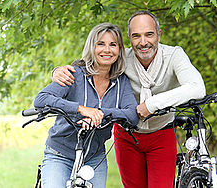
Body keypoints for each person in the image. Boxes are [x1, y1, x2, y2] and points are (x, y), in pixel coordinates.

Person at [52, 11, 206, 188]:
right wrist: (58, 71)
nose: (143, 42)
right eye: (136, 36)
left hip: (162, 133)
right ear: (129, 39)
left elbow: (197, 87)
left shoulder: (174, 56)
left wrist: (151, 105)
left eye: (149, 34)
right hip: (127, 136)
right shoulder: (122, 59)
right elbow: (90, 66)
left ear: (159, 34)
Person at [34, 22, 139, 188]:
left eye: (113, 45)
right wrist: (81, 109)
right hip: (60, 154)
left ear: (119, 50)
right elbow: (41, 99)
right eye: (101, 44)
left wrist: (99, 113)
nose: (107, 50)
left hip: (94, 158)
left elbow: (132, 116)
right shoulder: (75, 74)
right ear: (92, 47)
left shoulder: (122, 81)